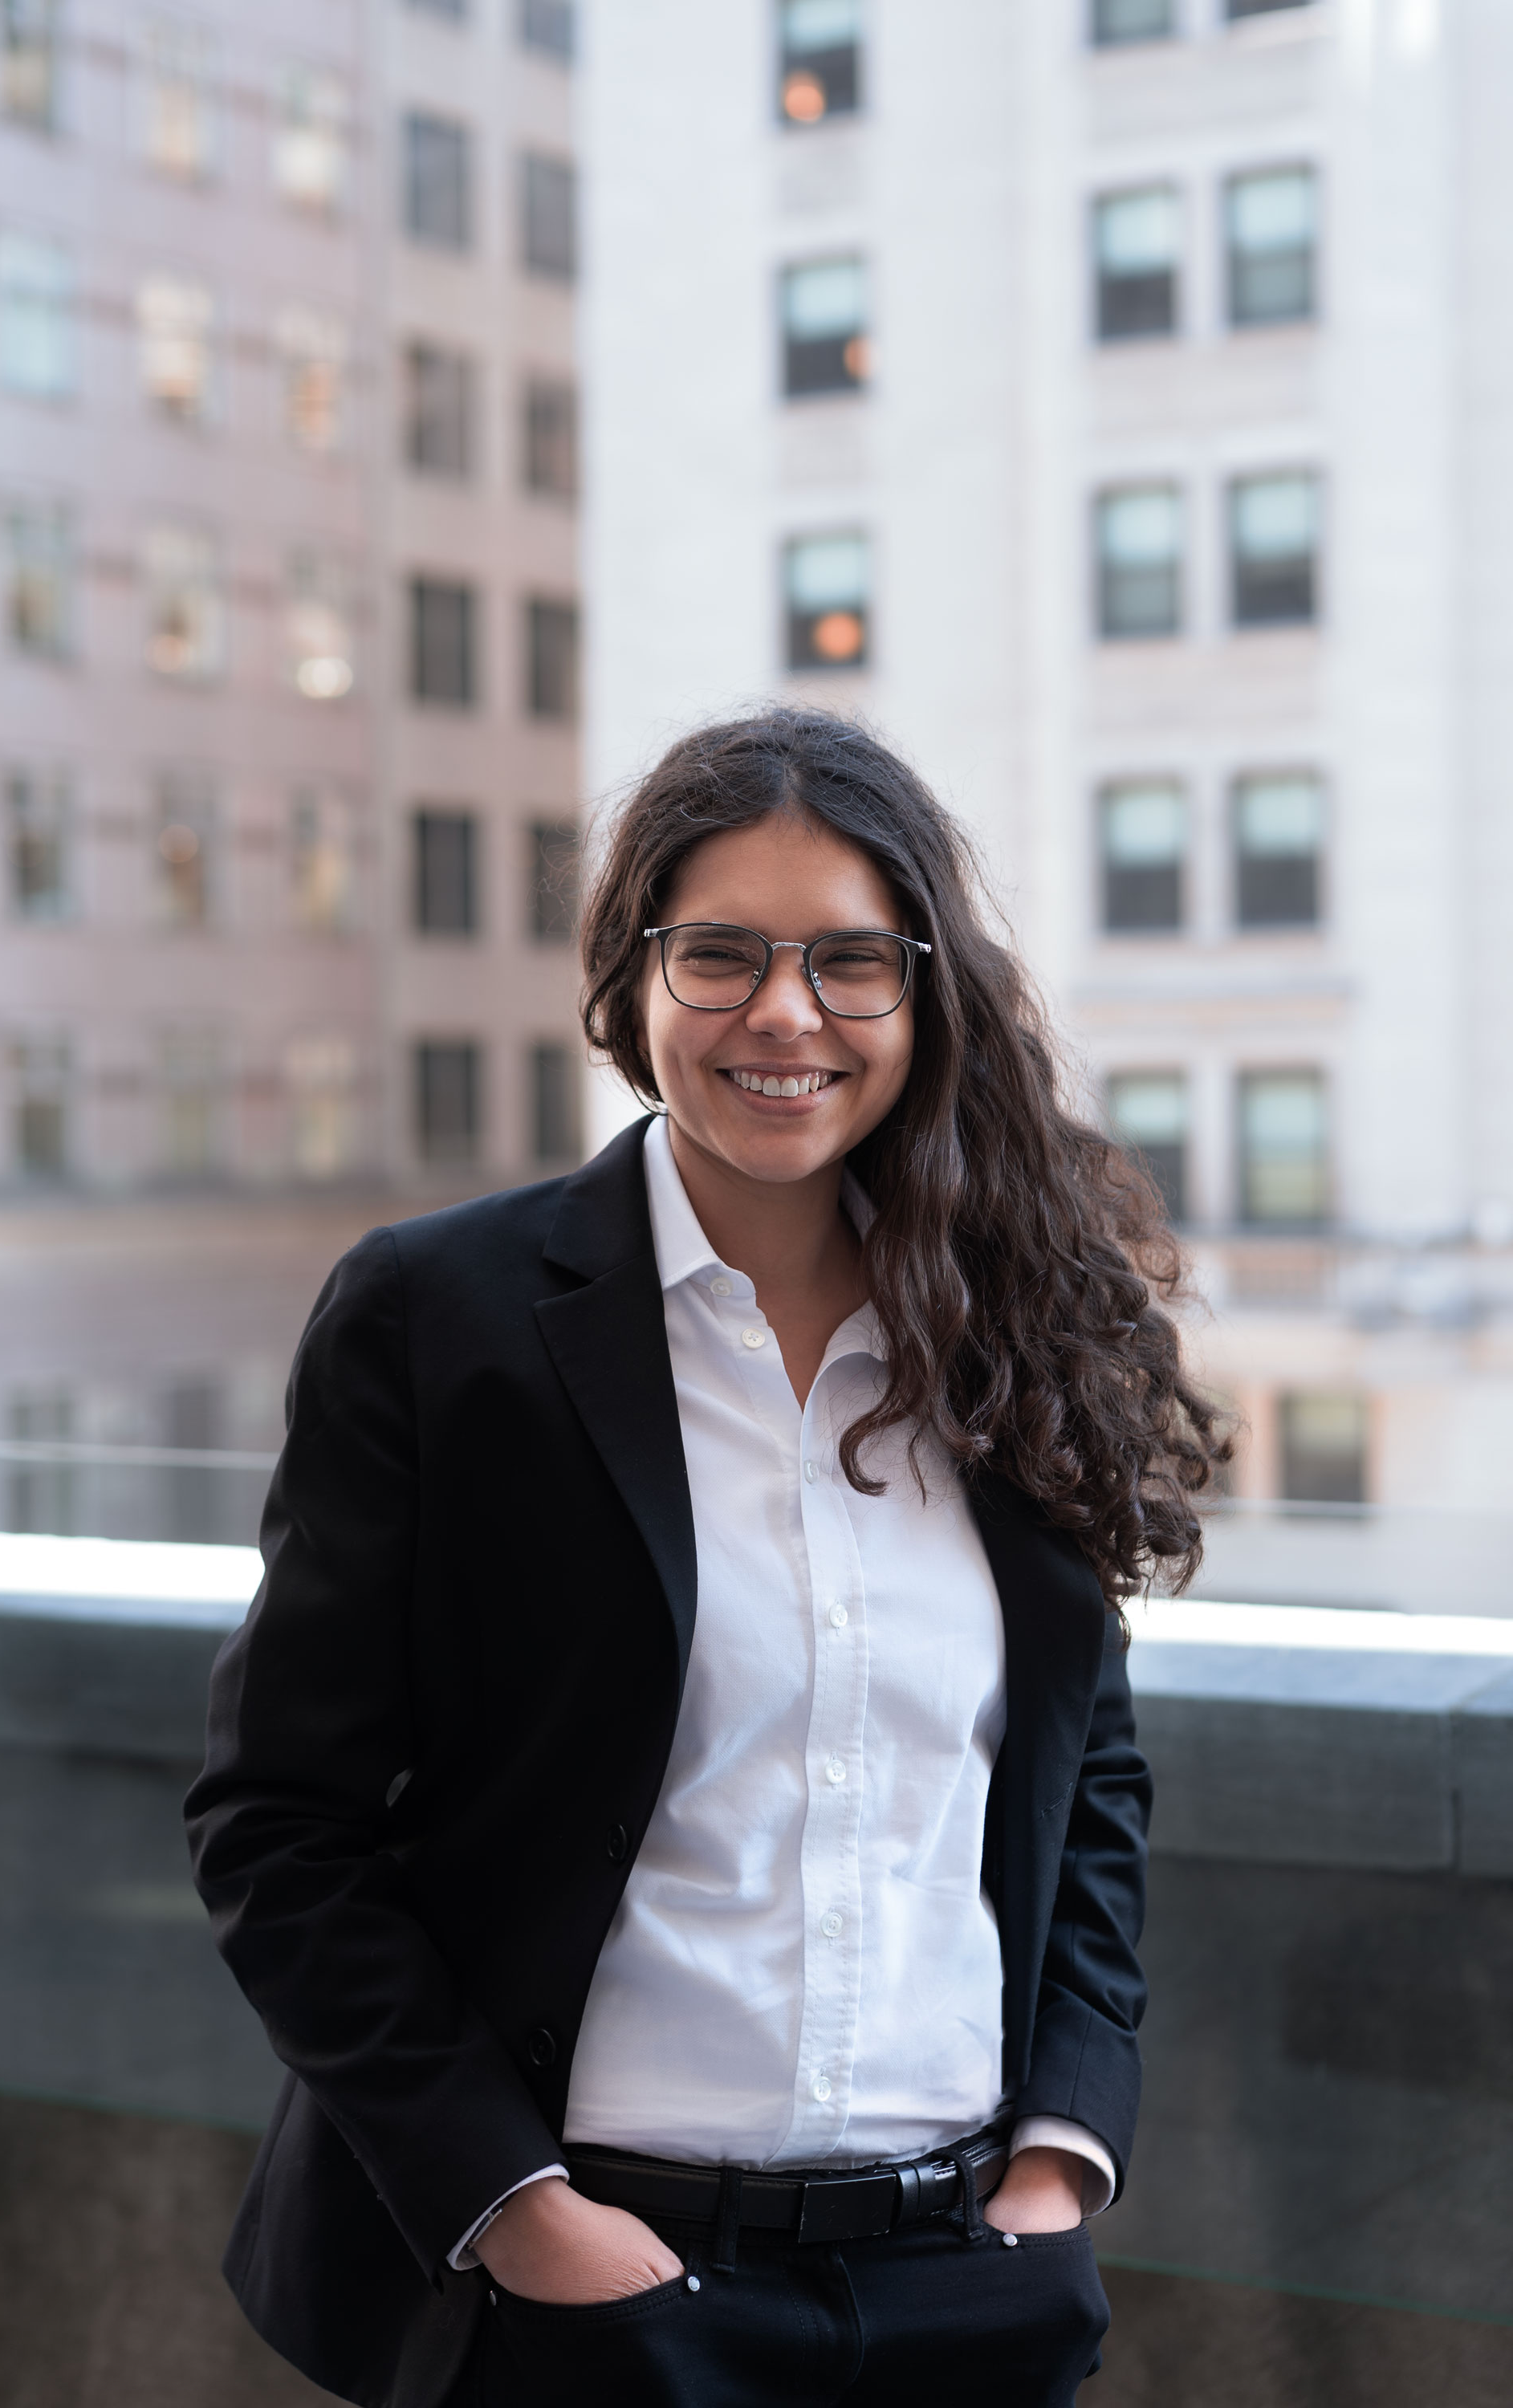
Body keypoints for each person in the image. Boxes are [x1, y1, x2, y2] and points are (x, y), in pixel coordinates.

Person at [186, 710, 1226, 2408]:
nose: (785, 1012)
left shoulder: (1020, 1333)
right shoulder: (440, 1322)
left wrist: (1063, 2153)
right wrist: (521, 2216)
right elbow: (277, 1826)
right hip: (592, 2294)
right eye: (721, 954)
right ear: (633, 978)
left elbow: (1079, 1766)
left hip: (969, 2279)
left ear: (924, 991)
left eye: (847, 962)